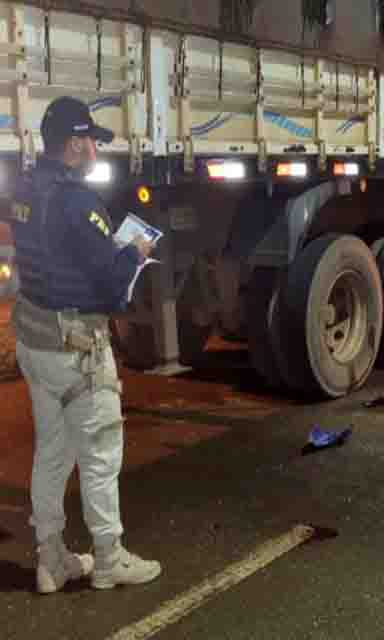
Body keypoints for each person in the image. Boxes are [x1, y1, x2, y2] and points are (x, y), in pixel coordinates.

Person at [9, 96, 162, 593]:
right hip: (76, 349)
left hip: (34, 340)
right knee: (99, 453)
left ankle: (51, 558)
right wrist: (136, 254)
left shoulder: (23, 187)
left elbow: (57, 255)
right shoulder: (78, 202)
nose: (96, 146)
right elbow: (111, 289)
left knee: (52, 450)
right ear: (75, 143)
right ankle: (108, 557)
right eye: (92, 138)